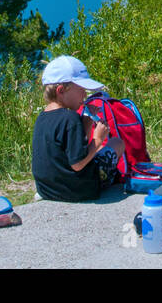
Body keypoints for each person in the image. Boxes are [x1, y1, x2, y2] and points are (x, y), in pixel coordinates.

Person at [31, 55, 125, 203]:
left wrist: (86, 121)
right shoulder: (70, 118)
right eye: (81, 89)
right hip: (79, 190)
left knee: (94, 153)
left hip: (48, 190)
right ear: (61, 90)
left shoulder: (42, 117)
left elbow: (74, 149)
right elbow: (77, 163)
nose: (85, 94)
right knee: (117, 143)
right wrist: (98, 139)